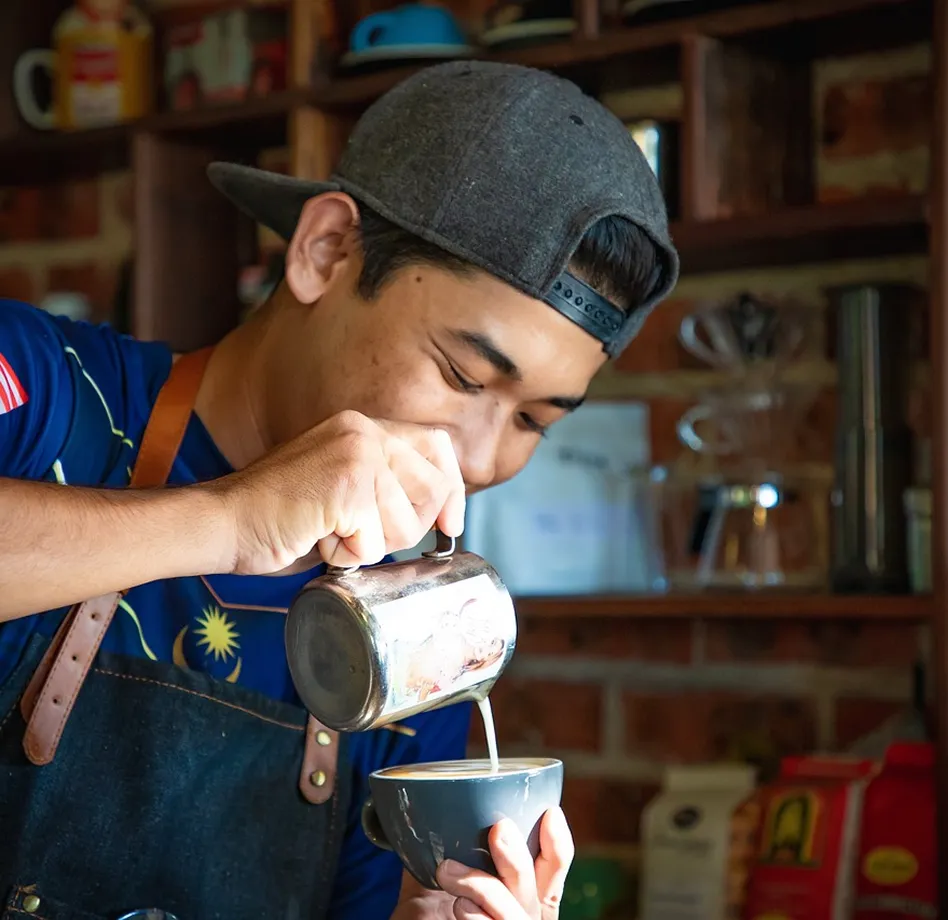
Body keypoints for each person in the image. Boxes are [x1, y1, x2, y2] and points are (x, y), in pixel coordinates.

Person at [0, 60, 679, 920]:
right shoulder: (47, 393)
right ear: (325, 251)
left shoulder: (404, 651)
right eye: (464, 375)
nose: (479, 459)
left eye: (535, 420)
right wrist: (229, 517)